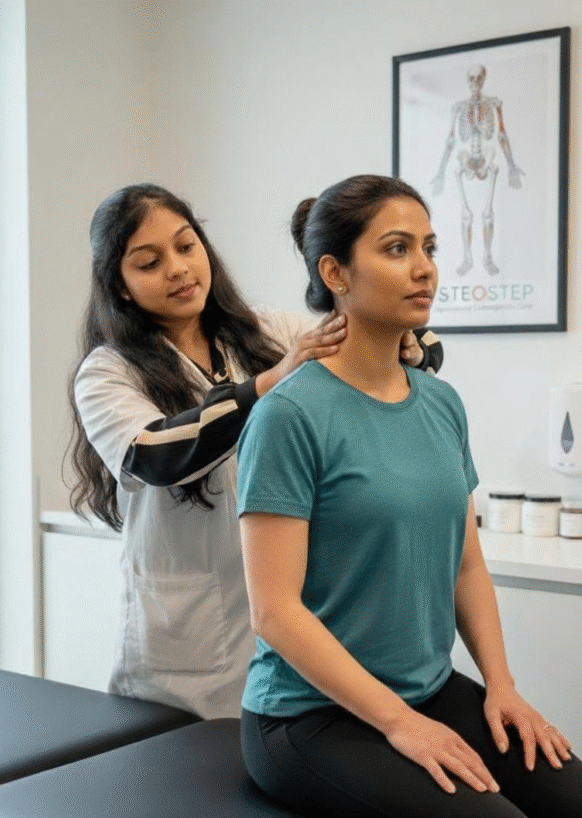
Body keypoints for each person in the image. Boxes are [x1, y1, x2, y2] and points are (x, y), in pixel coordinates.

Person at [236, 174, 582, 818]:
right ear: (336, 273)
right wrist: (397, 723)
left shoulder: (440, 403)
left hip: (429, 689)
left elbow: (466, 566)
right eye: (395, 249)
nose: (424, 269)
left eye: (430, 248)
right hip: (309, 716)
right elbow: (274, 612)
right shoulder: (289, 416)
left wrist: (501, 687)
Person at [67, 183, 443, 721]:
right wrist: (270, 382)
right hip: (186, 646)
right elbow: (153, 454)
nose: (177, 269)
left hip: (290, 628)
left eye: (186, 246)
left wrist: (407, 343)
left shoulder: (271, 332)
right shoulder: (108, 372)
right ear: (120, 287)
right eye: (149, 263)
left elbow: (387, 342)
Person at [431, 64, 524, 276]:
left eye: (479, 79)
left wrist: (511, 166)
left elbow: (501, 135)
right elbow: (451, 140)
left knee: (488, 214)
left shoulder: (493, 104)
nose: (475, 83)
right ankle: (467, 259)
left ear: (484, 80)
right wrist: (439, 173)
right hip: (465, 161)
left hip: (487, 160)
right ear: (468, 81)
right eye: (472, 79)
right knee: (466, 215)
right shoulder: (458, 107)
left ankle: (488, 257)